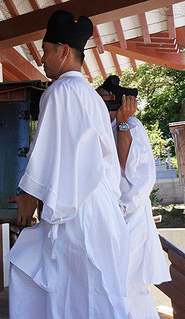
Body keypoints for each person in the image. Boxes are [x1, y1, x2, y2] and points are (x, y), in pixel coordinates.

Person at [6, 10, 129, 318]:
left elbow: (46, 151)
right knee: (96, 291)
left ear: (63, 51)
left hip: (78, 211)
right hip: (100, 208)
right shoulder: (91, 96)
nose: (41, 60)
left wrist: (29, 196)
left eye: (46, 51)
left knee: (75, 291)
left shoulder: (59, 92)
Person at [97, 76, 170, 319]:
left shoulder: (132, 125)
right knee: (115, 288)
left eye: (101, 96)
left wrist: (123, 121)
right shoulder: (99, 127)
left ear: (113, 100)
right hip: (110, 218)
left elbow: (130, 169)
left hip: (130, 218)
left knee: (130, 288)